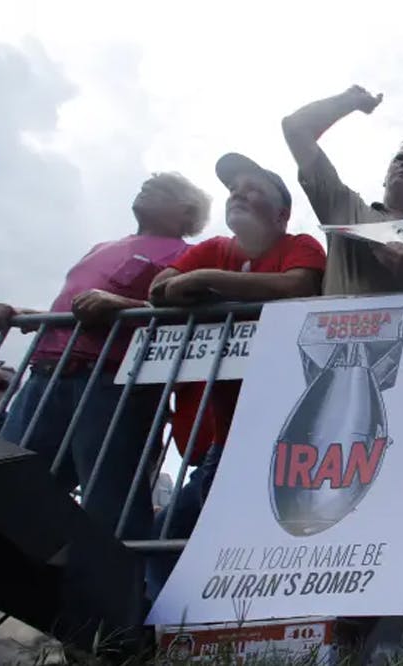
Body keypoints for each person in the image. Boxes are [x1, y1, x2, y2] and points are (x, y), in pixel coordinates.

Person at [0, 172, 211, 540]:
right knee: (7, 491)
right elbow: (73, 310)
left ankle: (124, 593)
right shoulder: (101, 247)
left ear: (186, 213)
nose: (146, 187)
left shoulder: (189, 256)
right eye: (148, 183)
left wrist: (124, 304)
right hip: (45, 376)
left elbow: (194, 314)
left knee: (111, 506)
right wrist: (14, 311)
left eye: (163, 189)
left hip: (111, 385)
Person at [145, 152, 326, 600]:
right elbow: (158, 291)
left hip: (283, 428)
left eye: (254, 189)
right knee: (172, 532)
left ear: (281, 213)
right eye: (233, 189)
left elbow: (297, 285)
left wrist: (205, 280)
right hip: (222, 431)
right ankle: (164, 631)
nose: (238, 195)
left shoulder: (300, 244)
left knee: (237, 531)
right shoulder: (212, 247)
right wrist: (204, 280)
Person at [283, 85, 403, 295]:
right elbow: (295, 128)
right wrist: (349, 101)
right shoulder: (346, 208)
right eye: (399, 159)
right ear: (384, 179)